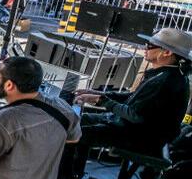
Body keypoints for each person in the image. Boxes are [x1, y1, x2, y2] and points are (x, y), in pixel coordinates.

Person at [73, 28, 191, 164]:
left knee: (73, 130)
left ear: (167, 52)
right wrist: (100, 94)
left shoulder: (167, 81)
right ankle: (73, 172)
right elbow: (135, 97)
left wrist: (101, 100)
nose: (145, 47)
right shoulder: (166, 73)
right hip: (134, 128)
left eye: (150, 45)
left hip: (142, 137)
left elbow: (136, 116)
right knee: (76, 120)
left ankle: (67, 178)